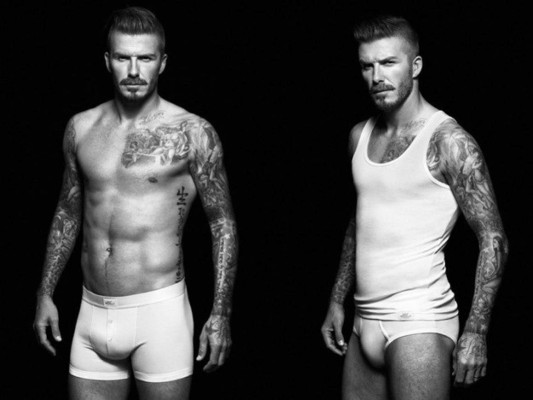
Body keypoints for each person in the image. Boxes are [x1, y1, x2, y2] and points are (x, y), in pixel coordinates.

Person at [33, 6, 238, 400]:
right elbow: (67, 212)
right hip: (91, 313)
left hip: (159, 315)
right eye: (123, 57)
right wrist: (45, 292)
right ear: (107, 61)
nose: (133, 70)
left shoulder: (193, 132)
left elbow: (222, 224)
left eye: (145, 58)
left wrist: (221, 314)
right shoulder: (80, 127)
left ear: (162, 62)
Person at [321, 14, 508, 400]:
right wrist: (337, 299)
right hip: (362, 322)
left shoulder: (449, 141)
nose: (377, 76)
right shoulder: (359, 135)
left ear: (416, 66)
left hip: (418, 322)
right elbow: (360, 221)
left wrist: (476, 331)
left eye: (389, 62)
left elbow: (493, 238)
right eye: (367, 66)